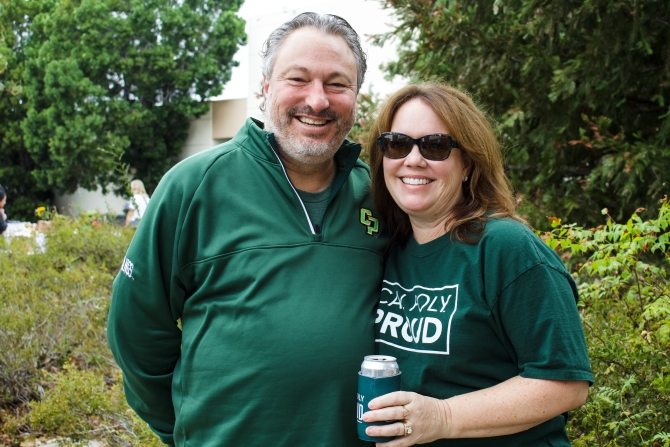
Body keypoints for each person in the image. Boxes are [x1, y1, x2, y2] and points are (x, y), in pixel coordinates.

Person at [107, 12, 387, 447]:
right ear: (265, 87)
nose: (317, 100)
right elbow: (137, 332)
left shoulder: (378, 196)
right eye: (298, 78)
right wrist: (186, 429)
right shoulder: (193, 185)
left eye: (337, 84)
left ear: (356, 95)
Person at [361, 82, 593, 446]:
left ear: (467, 162)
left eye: (435, 145)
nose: (413, 159)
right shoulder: (386, 247)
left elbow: (566, 384)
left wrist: (443, 417)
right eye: (397, 144)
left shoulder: (507, 248)